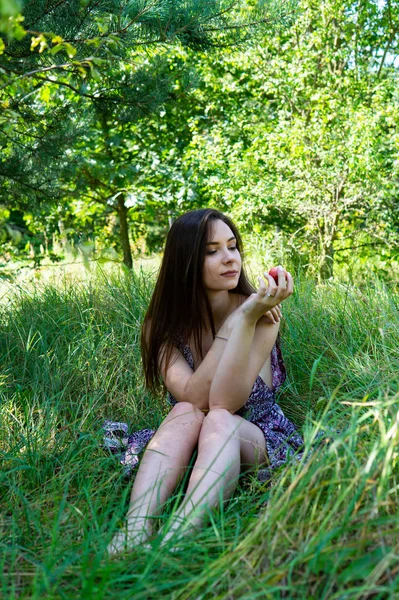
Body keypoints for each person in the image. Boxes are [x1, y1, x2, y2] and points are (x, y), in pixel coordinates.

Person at [107, 208, 306, 554]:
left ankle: (178, 538)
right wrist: (232, 326)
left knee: (217, 417)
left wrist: (243, 319)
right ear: (185, 262)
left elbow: (224, 403)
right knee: (186, 409)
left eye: (232, 246)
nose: (229, 259)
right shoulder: (162, 325)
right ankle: (136, 527)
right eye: (212, 251)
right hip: (194, 434)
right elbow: (193, 397)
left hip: (255, 437)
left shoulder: (263, 314)